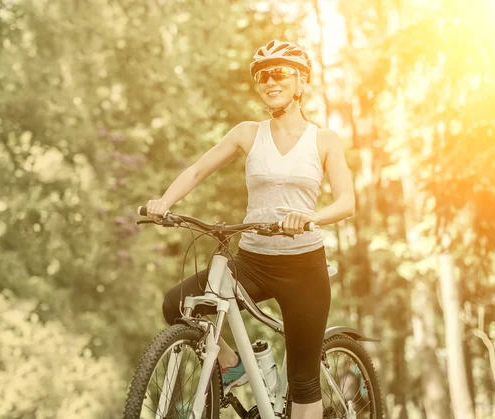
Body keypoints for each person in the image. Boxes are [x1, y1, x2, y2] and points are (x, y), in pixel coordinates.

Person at [144, 40, 355, 419]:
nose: (269, 81)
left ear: (300, 82)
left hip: (304, 268)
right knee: (175, 303)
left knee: (303, 383)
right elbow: (197, 170)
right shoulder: (247, 133)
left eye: (279, 73)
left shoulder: (323, 140)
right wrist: (165, 202)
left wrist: (311, 218)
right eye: (262, 76)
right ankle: (231, 361)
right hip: (253, 261)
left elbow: (346, 202)